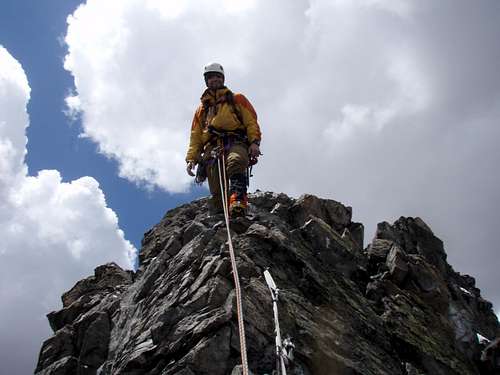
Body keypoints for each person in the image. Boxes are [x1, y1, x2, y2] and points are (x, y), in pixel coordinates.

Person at [185, 63, 261, 216]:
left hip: (235, 140)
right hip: (211, 148)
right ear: (207, 81)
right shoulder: (201, 110)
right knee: (216, 186)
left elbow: (251, 122)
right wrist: (191, 158)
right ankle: (222, 214)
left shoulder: (237, 99)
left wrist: (254, 142)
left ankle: (238, 200)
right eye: (211, 77)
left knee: (236, 162)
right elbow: (196, 136)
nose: (215, 80)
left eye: (218, 77)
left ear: (223, 79)